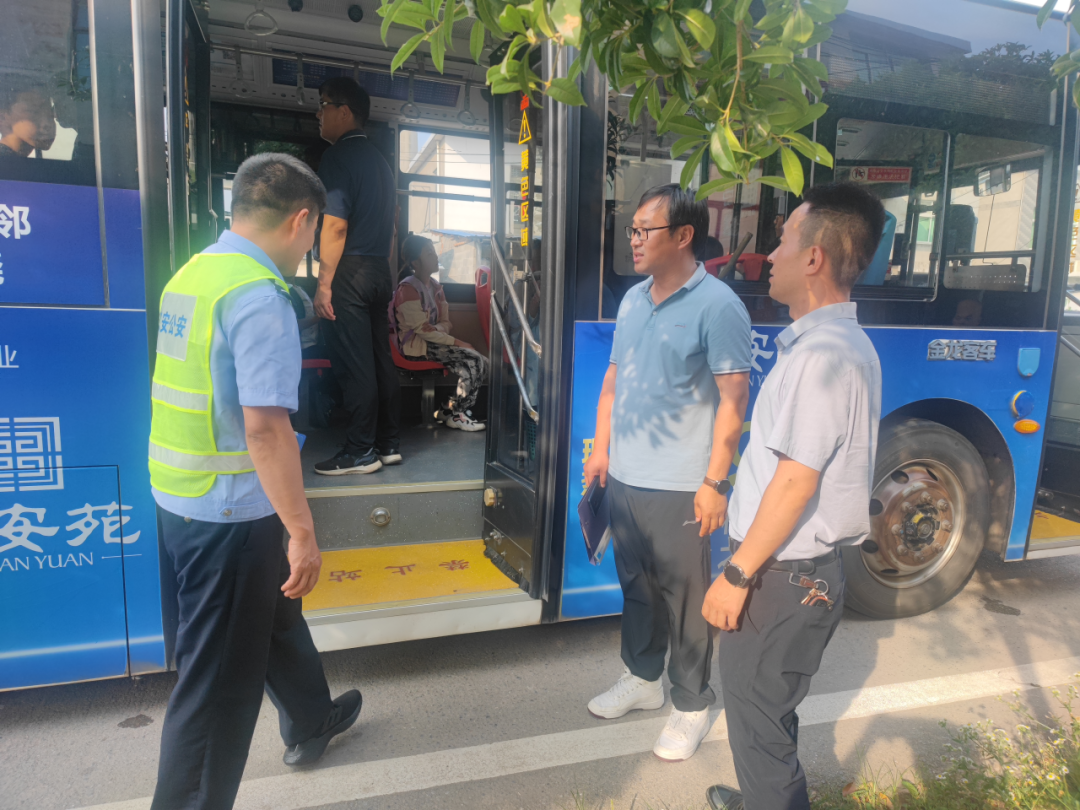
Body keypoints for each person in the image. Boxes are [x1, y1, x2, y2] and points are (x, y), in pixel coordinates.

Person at [148, 153, 361, 810]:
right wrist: (302, 531)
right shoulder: (260, 297)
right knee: (215, 699)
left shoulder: (195, 273)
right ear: (302, 220)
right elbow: (265, 429)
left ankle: (309, 717)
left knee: (274, 614)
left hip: (183, 501)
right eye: (316, 232)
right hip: (232, 520)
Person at [702, 182, 884, 810]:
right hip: (796, 574)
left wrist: (735, 572)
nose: (767, 257)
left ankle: (771, 799)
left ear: (814, 259)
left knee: (756, 715)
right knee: (766, 712)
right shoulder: (834, 347)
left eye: (781, 242)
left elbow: (795, 481)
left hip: (781, 576)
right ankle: (762, 798)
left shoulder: (823, 356)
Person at [582, 184, 752, 762]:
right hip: (626, 477)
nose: (632, 239)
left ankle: (692, 704)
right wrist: (601, 449)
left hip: (683, 485)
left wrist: (715, 483)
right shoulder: (632, 301)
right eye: (631, 229)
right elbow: (613, 381)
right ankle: (642, 679)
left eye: (643, 230)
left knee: (685, 600)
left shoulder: (719, 305)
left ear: (682, 236)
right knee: (638, 589)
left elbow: (734, 400)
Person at [311, 77, 400, 475]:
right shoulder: (381, 163)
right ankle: (387, 443)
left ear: (343, 112)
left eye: (323, 105)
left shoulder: (337, 158)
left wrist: (324, 283)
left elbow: (334, 228)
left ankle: (360, 451)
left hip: (350, 270)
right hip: (380, 268)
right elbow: (393, 229)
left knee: (354, 363)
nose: (319, 114)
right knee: (381, 360)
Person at [393, 235, 488, 431]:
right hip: (418, 347)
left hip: (435, 343)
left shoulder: (437, 288)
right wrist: (458, 342)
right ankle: (458, 414)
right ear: (415, 262)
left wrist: (437, 329)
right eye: (429, 253)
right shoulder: (408, 289)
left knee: (484, 362)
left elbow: (446, 323)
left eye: (434, 252)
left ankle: (449, 408)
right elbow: (422, 332)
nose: (435, 257)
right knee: (474, 361)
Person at [0, 84, 56, 158]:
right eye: (34, 112)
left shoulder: (17, 164)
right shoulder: (6, 165)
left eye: (50, 114)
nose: (47, 124)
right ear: (3, 117)